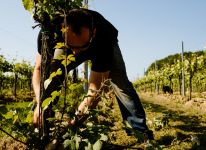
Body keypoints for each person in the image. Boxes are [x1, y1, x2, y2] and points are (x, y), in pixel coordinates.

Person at [32, 8, 153, 143]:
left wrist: (73, 124)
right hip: (71, 42)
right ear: (62, 29)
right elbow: (38, 70)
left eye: (81, 48)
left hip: (101, 43)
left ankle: (139, 131)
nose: (76, 54)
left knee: (121, 83)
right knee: (51, 78)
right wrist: (40, 103)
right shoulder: (50, 31)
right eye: (72, 47)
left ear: (93, 32)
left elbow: (95, 91)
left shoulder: (103, 38)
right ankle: (44, 122)